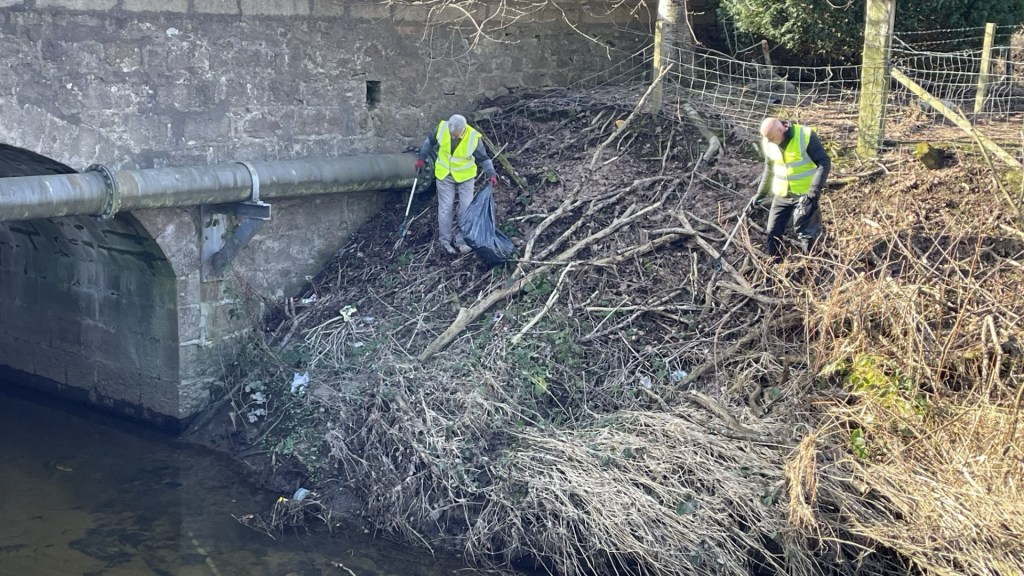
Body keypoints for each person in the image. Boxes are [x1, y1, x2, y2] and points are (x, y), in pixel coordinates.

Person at [415, 114, 498, 254]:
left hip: (465, 177)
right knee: (445, 208)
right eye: (451, 134)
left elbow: (484, 158)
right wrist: (422, 157)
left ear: (464, 130)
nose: (453, 137)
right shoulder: (441, 128)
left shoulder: (473, 137)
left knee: (466, 208)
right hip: (444, 174)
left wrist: (491, 174)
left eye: (456, 136)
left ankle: (462, 241)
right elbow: (429, 141)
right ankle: (445, 241)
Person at [756, 117, 831, 262]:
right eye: (767, 139)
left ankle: (811, 269)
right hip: (782, 194)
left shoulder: (805, 136)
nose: (769, 141)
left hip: (805, 195)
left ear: (781, 129)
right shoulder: (768, 141)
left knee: (807, 236)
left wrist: (813, 193)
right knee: (772, 232)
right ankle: (776, 267)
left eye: (771, 138)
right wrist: (761, 193)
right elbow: (769, 168)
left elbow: (824, 162)